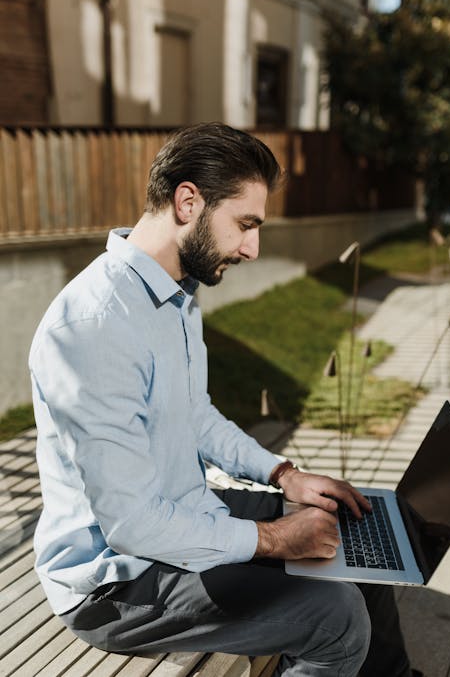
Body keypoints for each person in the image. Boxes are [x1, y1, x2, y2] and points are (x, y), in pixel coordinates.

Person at [29, 123, 417, 677]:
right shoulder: (96, 325)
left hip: (182, 512)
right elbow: (133, 524)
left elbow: (196, 417)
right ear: (188, 202)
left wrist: (284, 475)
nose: (253, 248)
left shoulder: (175, 294)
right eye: (246, 224)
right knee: (335, 617)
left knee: (348, 533)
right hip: (118, 582)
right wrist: (275, 538)